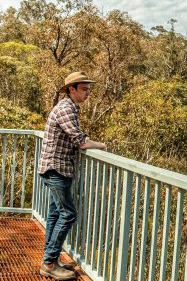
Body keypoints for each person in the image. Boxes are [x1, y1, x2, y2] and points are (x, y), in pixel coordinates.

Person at [38, 72, 107, 280]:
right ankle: (49, 263)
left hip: (58, 168)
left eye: (89, 89)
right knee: (68, 214)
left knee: (55, 214)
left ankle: (51, 259)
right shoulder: (66, 109)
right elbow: (81, 141)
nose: (88, 92)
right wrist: (102, 145)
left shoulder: (69, 108)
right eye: (84, 89)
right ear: (72, 89)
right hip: (56, 168)